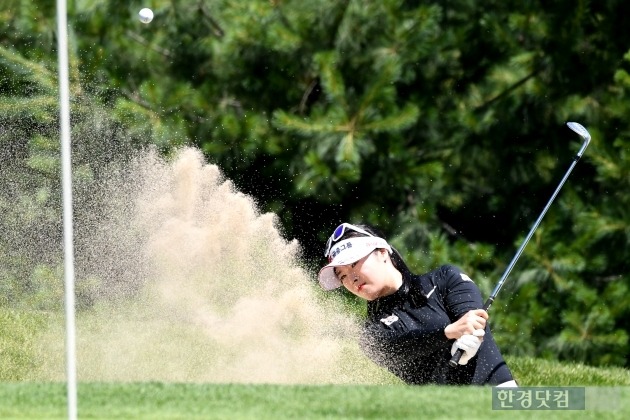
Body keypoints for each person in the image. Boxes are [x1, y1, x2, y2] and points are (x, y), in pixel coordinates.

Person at [318, 222, 517, 386]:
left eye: (354, 264)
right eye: (342, 275)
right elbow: (396, 346)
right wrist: (447, 333)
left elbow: (471, 319)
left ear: (382, 252)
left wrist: (472, 335)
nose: (351, 279)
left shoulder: (445, 279)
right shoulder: (370, 333)